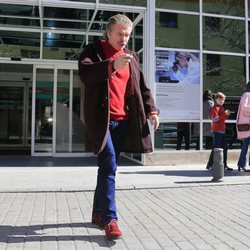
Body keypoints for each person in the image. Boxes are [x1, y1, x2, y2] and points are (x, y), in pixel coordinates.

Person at [78, 14, 159, 240]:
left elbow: (141, 86)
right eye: (120, 34)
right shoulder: (93, 51)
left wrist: (152, 110)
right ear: (109, 33)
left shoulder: (131, 56)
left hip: (123, 122)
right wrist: (111, 65)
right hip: (102, 121)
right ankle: (110, 219)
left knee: (107, 168)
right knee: (110, 165)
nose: (124, 38)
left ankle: (97, 213)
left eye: (127, 34)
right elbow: (86, 74)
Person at [206, 92, 233, 171]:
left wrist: (226, 115)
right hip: (217, 131)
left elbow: (222, 119)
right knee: (216, 149)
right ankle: (210, 165)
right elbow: (215, 119)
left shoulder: (221, 108)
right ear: (215, 100)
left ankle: (224, 165)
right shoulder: (215, 108)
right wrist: (224, 114)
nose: (221, 101)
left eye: (223, 100)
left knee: (225, 148)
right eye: (220, 99)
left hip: (222, 131)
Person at [236, 82, 250, 172]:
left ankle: (241, 164)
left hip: (248, 124)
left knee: (246, 145)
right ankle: (241, 164)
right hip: (248, 124)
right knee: (245, 145)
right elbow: (244, 107)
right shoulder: (247, 94)